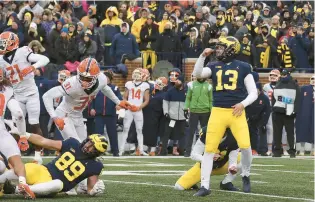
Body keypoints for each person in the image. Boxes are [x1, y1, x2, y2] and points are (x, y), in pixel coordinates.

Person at [193, 36, 258, 196]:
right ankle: (205, 186)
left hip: (236, 112)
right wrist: (202, 56)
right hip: (218, 111)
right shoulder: (214, 65)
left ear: (232, 49)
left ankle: (246, 175)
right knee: (209, 149)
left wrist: (243, 104)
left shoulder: (243, 67)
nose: (219, 49)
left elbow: (254, 92)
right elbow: (198, 73)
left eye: (222, 47)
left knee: (245, 146)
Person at [42, 57, 131, 143]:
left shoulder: (102, 79)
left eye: (87, 79)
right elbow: (46, 96)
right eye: (82, 77)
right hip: (64, 114)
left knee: (84, 145)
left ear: (96, 77)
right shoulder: (72, 84)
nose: (84, 81)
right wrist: (55, 117)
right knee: (74, 143)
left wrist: (118, 102)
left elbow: (105, 88)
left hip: (78, 115)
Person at [0, 130, 107, 197]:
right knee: (27, 168)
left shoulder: (96, 166)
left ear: (97, 153)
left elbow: (90, 188)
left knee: (58, 184)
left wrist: (93, 191)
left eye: (93, 147)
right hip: (43, 170)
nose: (88, 146)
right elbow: (44, 141)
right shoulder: (73, 143)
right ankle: (3, 180)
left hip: (52, 184)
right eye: (90, 142)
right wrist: (24, 134)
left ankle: (18, 189)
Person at [0, 31, 49, 164]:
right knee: (16, 125)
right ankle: (15, 153)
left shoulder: (23, 52)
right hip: (16, 94)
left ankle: (38, 155)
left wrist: (32, 67)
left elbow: (44, 59)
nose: (1, 46)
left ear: (12, 43)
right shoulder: (1, 60)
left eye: (3, 43)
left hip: (31, 93)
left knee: (34, 123)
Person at [0, 68, 35, 199]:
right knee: (16, 162)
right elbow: (19, 114)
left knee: (1, 166)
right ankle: (22, 183)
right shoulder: (7, 90)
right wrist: (23, 136)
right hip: (1, 131)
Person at [174, 126, 240, 191]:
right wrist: (208, 158)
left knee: (244, 157)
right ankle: (193, 181)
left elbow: (233, 157)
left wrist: (232, 166)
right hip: (204, 167)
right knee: (179, 187)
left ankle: (226, 182)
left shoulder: (233, 136)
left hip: (223, 165)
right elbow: (194, 155)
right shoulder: (206, 134)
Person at [118, 68, 150, 156]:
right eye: (135, 73)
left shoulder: (145, 85)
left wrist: (139, 107)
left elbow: (147, 100)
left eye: (138, 73)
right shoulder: (129, 84)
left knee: (139, 130)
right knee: (126, 129)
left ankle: (141, 150)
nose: (136, 75)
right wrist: (128, 105)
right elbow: (124, 97)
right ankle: (121, 150)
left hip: (138, 110)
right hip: (129, 110)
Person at [91, 70, 122, 156]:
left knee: (112, 133)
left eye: (107, 78)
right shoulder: (96, 88)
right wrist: (92, 108)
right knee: (98, 134)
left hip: (111, 114)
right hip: (99, 114)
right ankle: (98, 151)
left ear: (110, 79)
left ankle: (115, 151)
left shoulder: (114, 88)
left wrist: (118, 105)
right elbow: (91, 99)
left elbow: (119, 99)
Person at [272, 70, 301, 158]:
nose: (284, 76)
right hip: (282, 111)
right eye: (283, 74)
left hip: (286, 111)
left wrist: (295, 110)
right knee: (281, 133)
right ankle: (281, 151)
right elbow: (274, 98)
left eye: (285, 75)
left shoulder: (280, 83)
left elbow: (297, 99)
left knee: (288, 133)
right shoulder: (293, 84)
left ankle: (287, 151)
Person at [184, 72, 212, 157]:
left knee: (205, 132)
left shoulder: (209, 86)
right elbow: (188, 97)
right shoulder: (191, 85)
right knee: (191, 132)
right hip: (194, 111)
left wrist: (211, 110)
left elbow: (211, 100)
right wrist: (186, 108)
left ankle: (205, 151)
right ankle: (188, 151)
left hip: (205, 112)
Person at [246, 83, 271, 156]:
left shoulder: (264, 98)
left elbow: (267, 110)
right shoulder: (249, 96)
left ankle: (257, 149)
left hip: (259, 119)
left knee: (257, 134)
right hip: (248, 118)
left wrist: (263, 122)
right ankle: (245, 149)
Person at [263, 69, 281, 156]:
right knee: (270, 129)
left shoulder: (282, 86)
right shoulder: (266, 86)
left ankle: (282, 148)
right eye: (271, 75)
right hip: (270, 109)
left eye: (275, 75)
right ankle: (269, 149)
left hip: (279, 110)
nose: (273, 77)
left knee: (281, 130)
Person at [296, 75, 314, 156]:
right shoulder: (304, 88)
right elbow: (299, 101)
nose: (313, 80)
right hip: (305, 112)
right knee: (303, 130)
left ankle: (313, 150)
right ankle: (301, 149)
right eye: (312, 79)